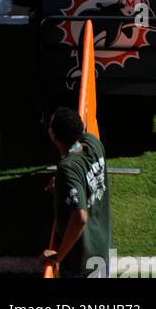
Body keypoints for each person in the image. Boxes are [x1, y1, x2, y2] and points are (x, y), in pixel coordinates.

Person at [44, 107, 112, 277]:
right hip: (102, 248)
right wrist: (61, 187)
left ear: (54, 136)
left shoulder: (68, 168)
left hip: (81, 262)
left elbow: (80, 218)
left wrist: (58, 255)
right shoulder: (93, 142)